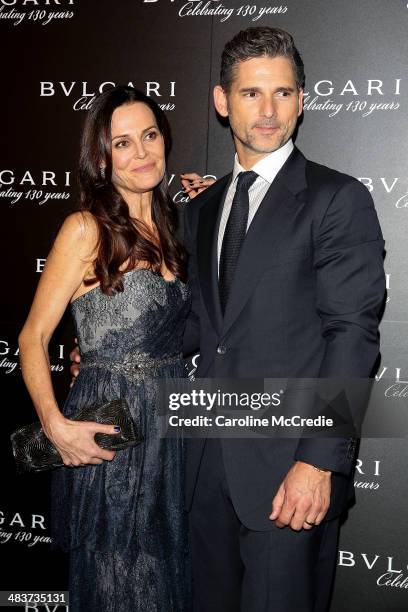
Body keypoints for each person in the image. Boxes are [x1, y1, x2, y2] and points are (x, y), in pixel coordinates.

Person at [179, 27, 386, 611]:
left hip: (289, 474)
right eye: (250, 94)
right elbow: (201, 330)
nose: (268, 111)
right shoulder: (202, 208)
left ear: (302, 99)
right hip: (203, 469)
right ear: (222, 102)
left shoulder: (336, 199)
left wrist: (318, 460)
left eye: (283, 93)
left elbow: (352, 337)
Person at [18, 86, 191, 612]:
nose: (142, 153)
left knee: (166, 575)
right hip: (113, 432)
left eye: (150, 135)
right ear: (101, 158)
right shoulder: (84, 229)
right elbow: (31, 338)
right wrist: (54, 424)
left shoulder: (170, 226)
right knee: (118, 577)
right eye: (123, 143)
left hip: (169, 429)